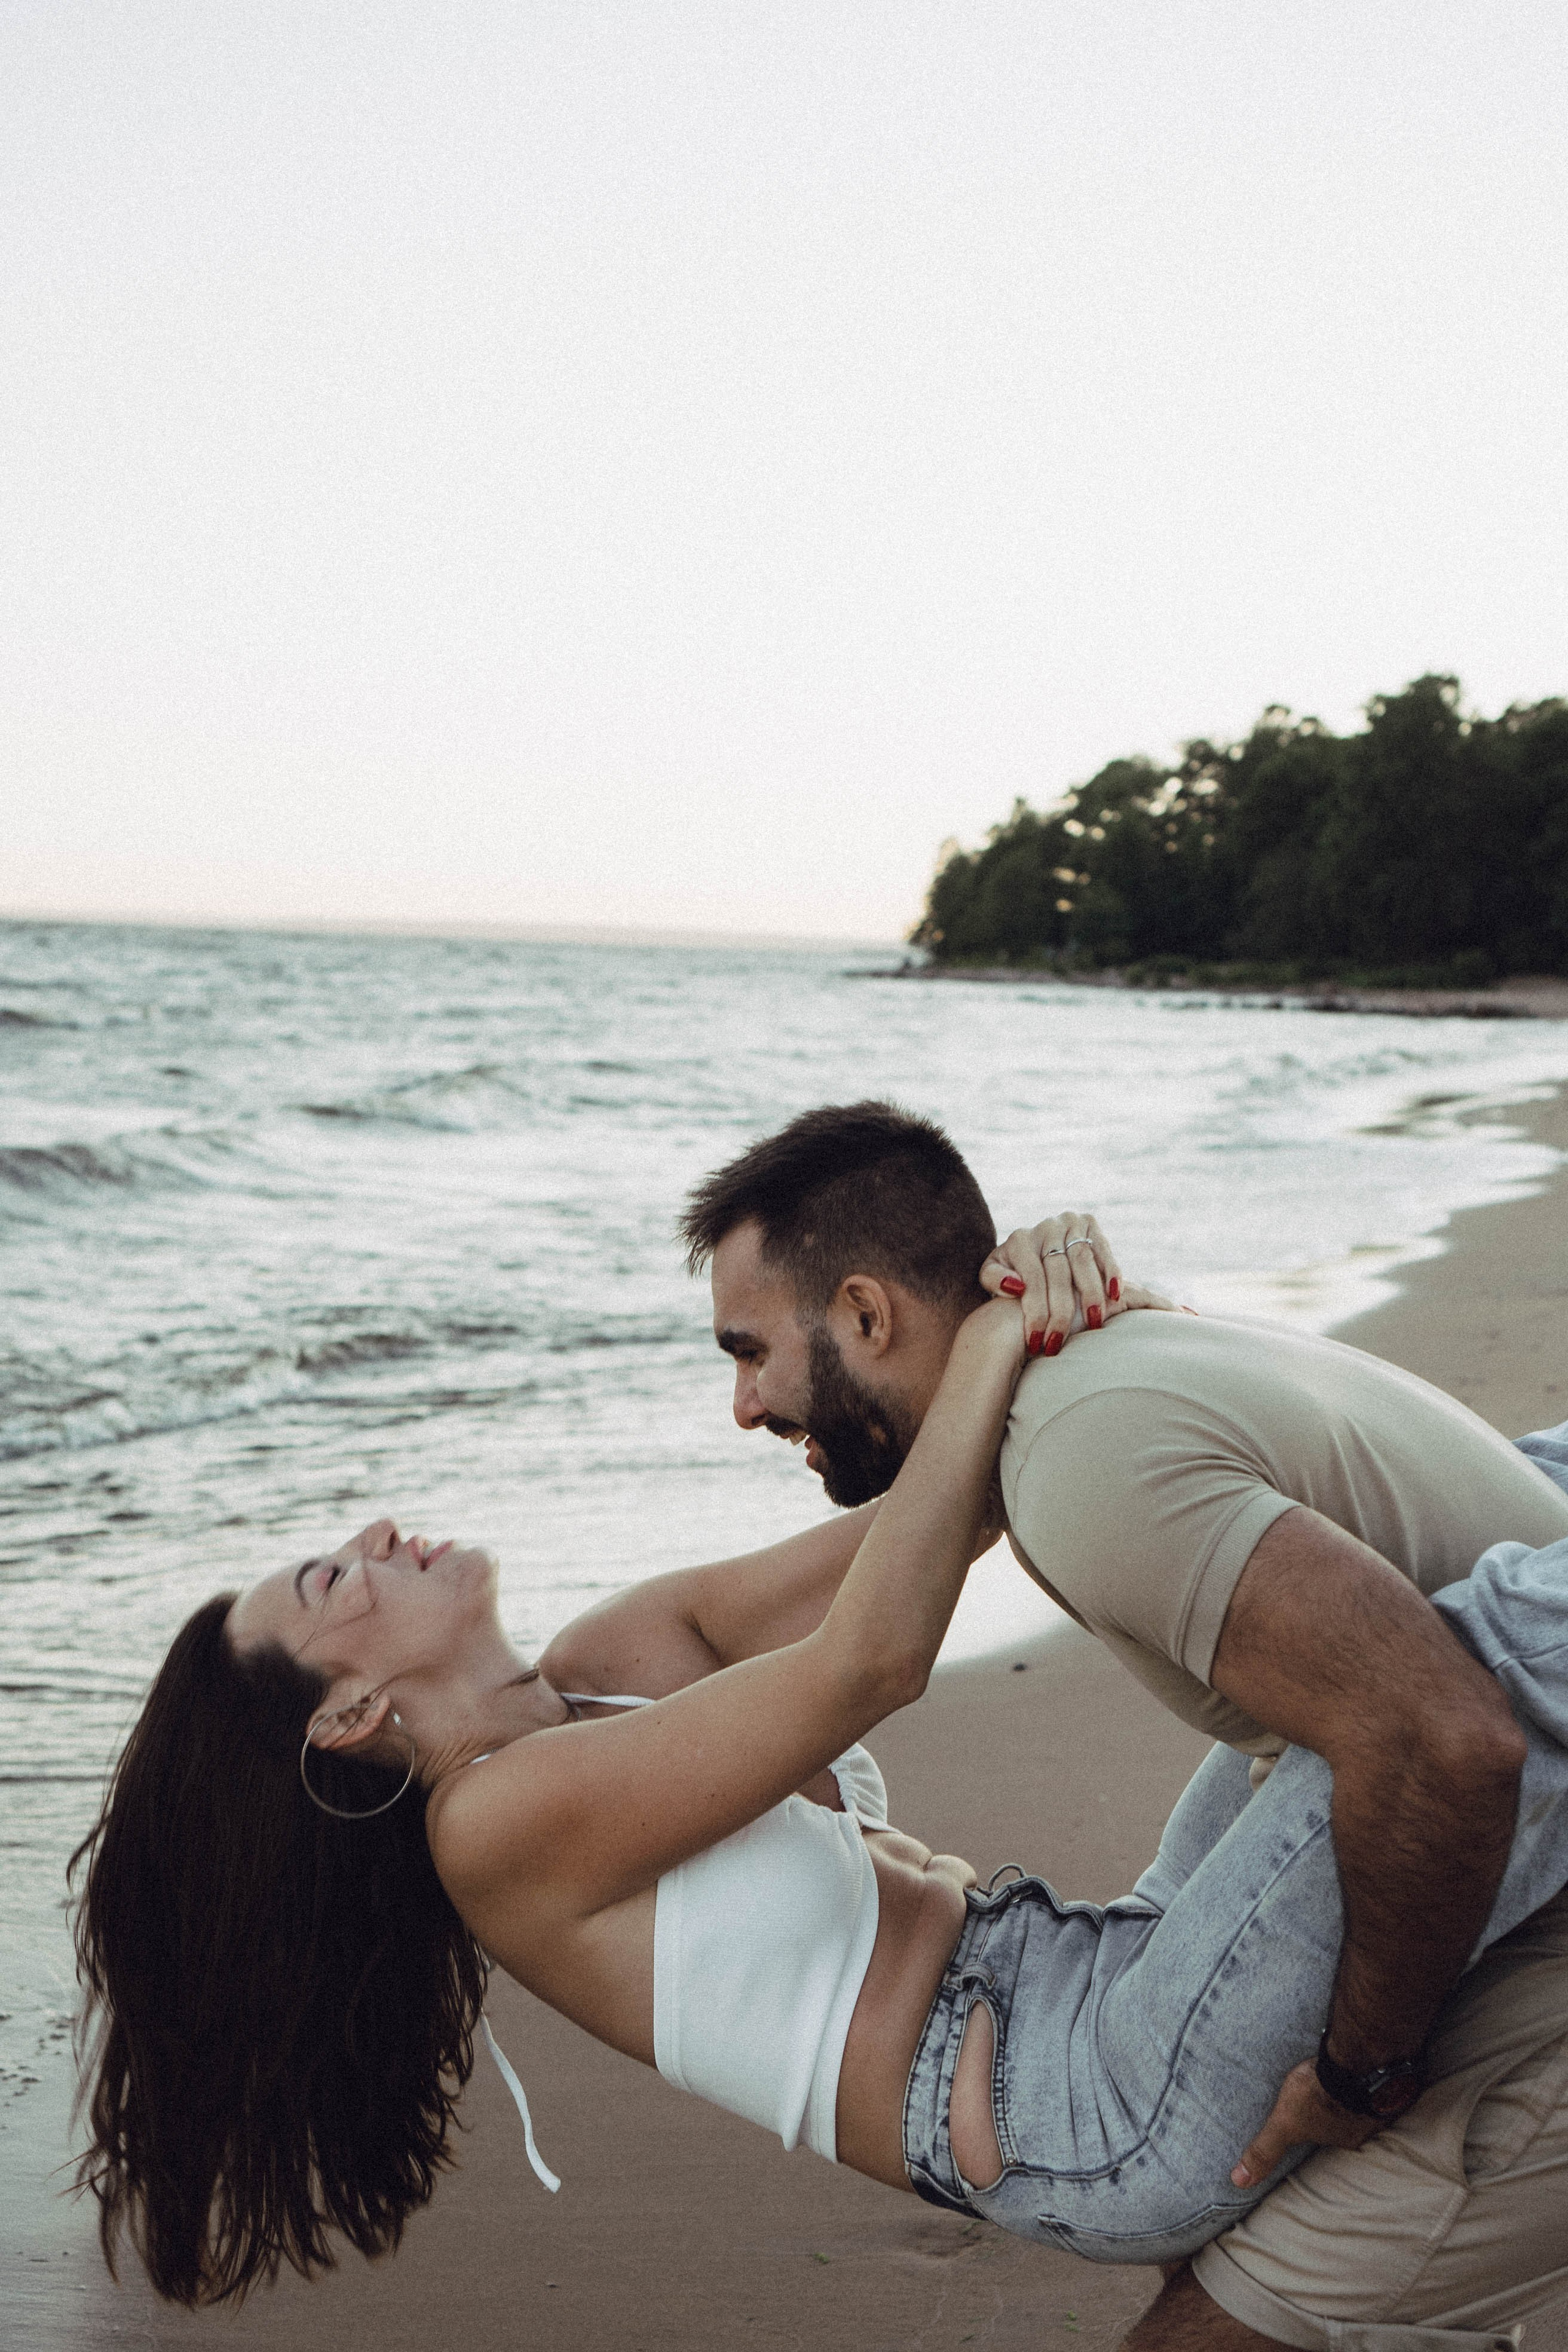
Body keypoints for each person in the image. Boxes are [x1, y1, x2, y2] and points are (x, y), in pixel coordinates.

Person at [72, 1265, 1568, 2323]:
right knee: (1460, 1678)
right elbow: (871, 1660)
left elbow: (936, 1515)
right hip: (1097, 2104)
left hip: (1112, 1959)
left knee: (1394, 1612)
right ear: (346, 1716)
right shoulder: (493, 1832)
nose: (377, 1530)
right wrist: (988, 1337)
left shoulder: (609, 1663)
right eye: (332, 1578)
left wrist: (1079, 1325)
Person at [682, 1100, 1568, 2346]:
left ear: (866, 1315)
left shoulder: (1079, 1459)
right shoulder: (1098, 1374)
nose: (741, 1404)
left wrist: (1365, 2067)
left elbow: (1444, 1742)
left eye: (746, 1350)